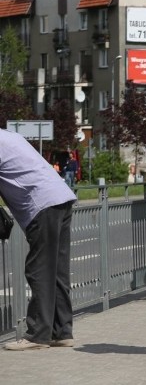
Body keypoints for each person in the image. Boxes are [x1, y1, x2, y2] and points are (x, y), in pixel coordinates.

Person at [0, 129, 77, 350]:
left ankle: (38, 335)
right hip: (60, 197)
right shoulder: (9, 136)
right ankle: (62, 331)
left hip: (42, 205)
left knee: (39, 269)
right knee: (57, 271)